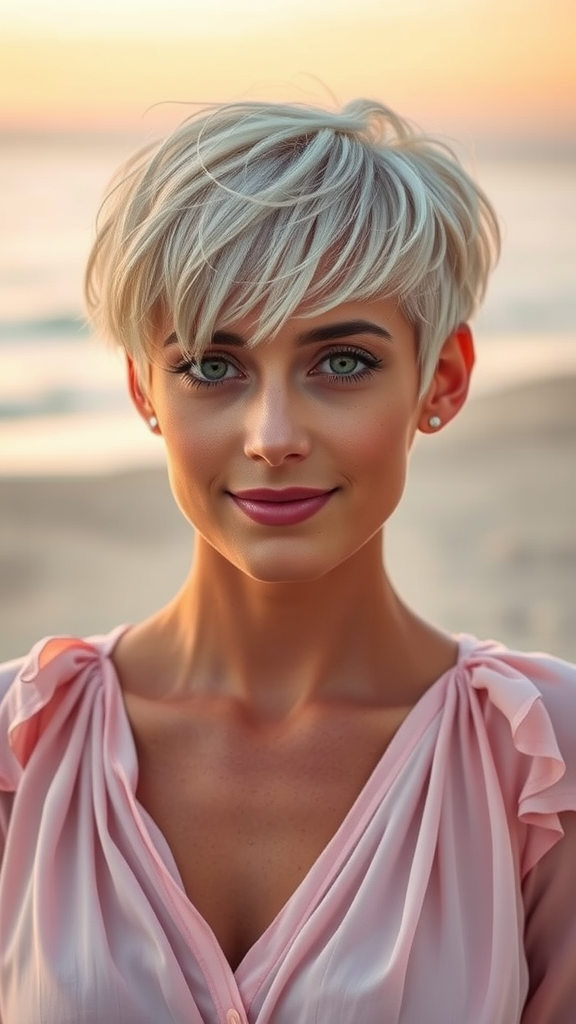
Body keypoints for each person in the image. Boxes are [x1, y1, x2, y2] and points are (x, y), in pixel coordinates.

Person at [0, 98, 574, 1024]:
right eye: (212, 367)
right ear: (146, 388)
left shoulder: (543, 760)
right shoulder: (18, 751)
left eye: (341, 362)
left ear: (444, 381)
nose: (272, 437)